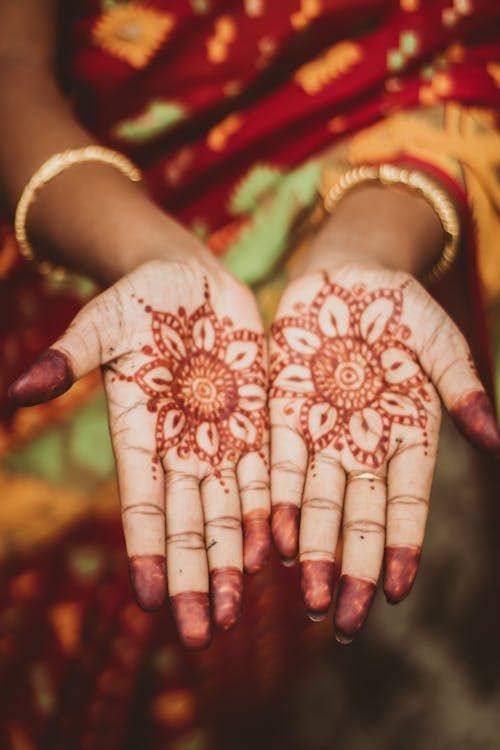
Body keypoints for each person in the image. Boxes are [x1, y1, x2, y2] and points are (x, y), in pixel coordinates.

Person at [1, 0, 499, 747]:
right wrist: (147, 256)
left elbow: (465, 67)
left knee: (271, 578)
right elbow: (12, 71)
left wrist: (369, 248)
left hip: (313, 322)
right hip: (83, 272)